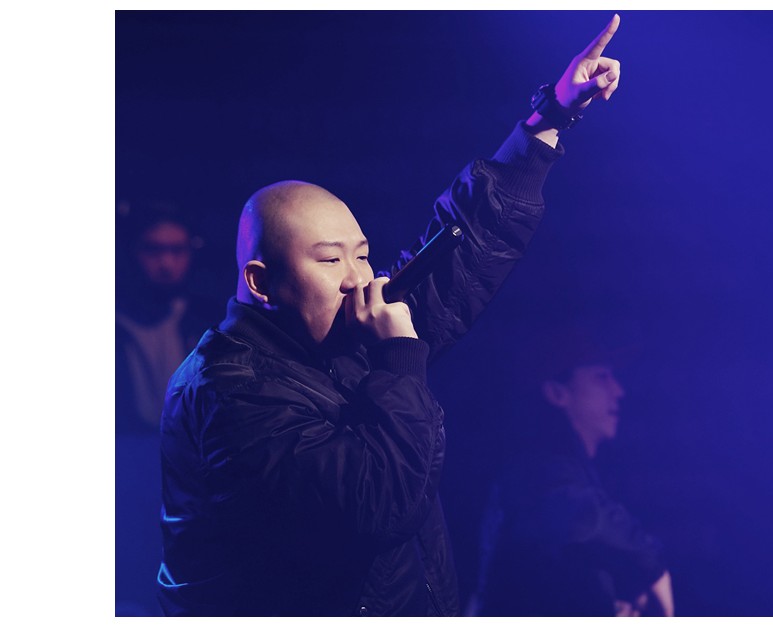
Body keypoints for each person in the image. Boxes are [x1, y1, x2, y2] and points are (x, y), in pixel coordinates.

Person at [156, 15, 624, 616]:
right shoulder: (228, 391)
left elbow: (457, 255)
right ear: (261, 282)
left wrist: (550, 117)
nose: (358, 277)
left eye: (362, 254)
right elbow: (379, 506)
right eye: (331, 260)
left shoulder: (336, 335)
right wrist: (399, 360)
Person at [471, 325, 675, 617]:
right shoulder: (537, 468)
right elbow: (581, 514)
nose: (618, 391)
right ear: (557, 393)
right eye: (601, 377)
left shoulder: (571, 469)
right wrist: (651, 561)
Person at [116, 201, 215, 434]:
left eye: (177, 250)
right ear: (130, 252)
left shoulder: (209, 323)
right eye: (153, 250)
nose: (166, 264)